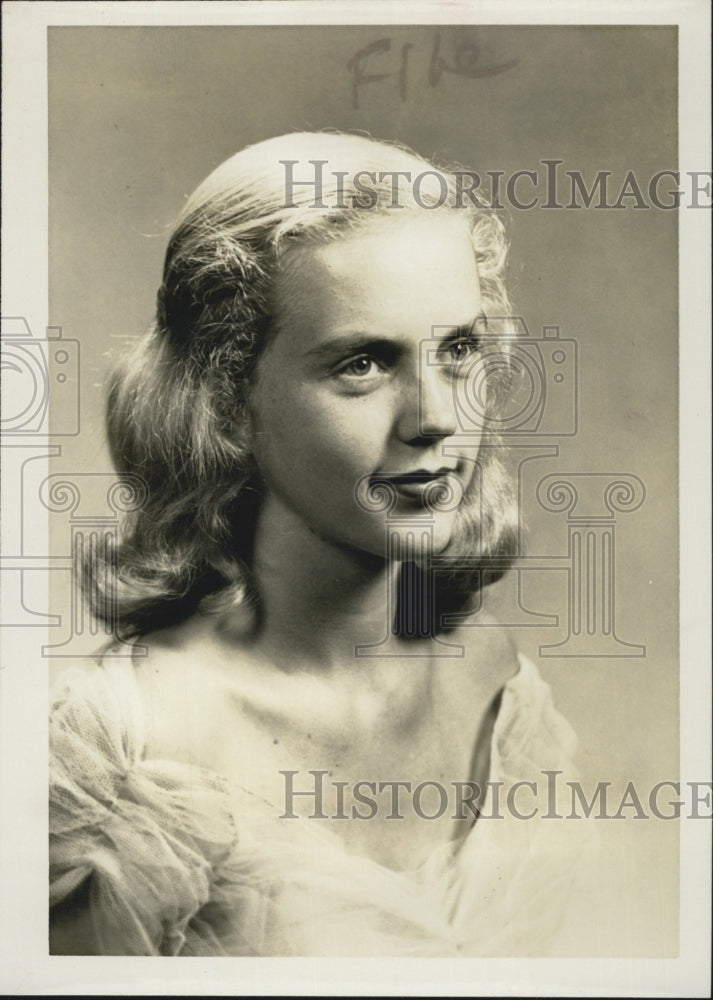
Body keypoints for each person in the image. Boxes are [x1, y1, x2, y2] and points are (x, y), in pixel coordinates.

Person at [49, 131, 590, 956]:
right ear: (226, 400)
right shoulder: (119, 760)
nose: (435, 417)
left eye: (457, 351)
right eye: (364, 364)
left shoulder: (498, 690)